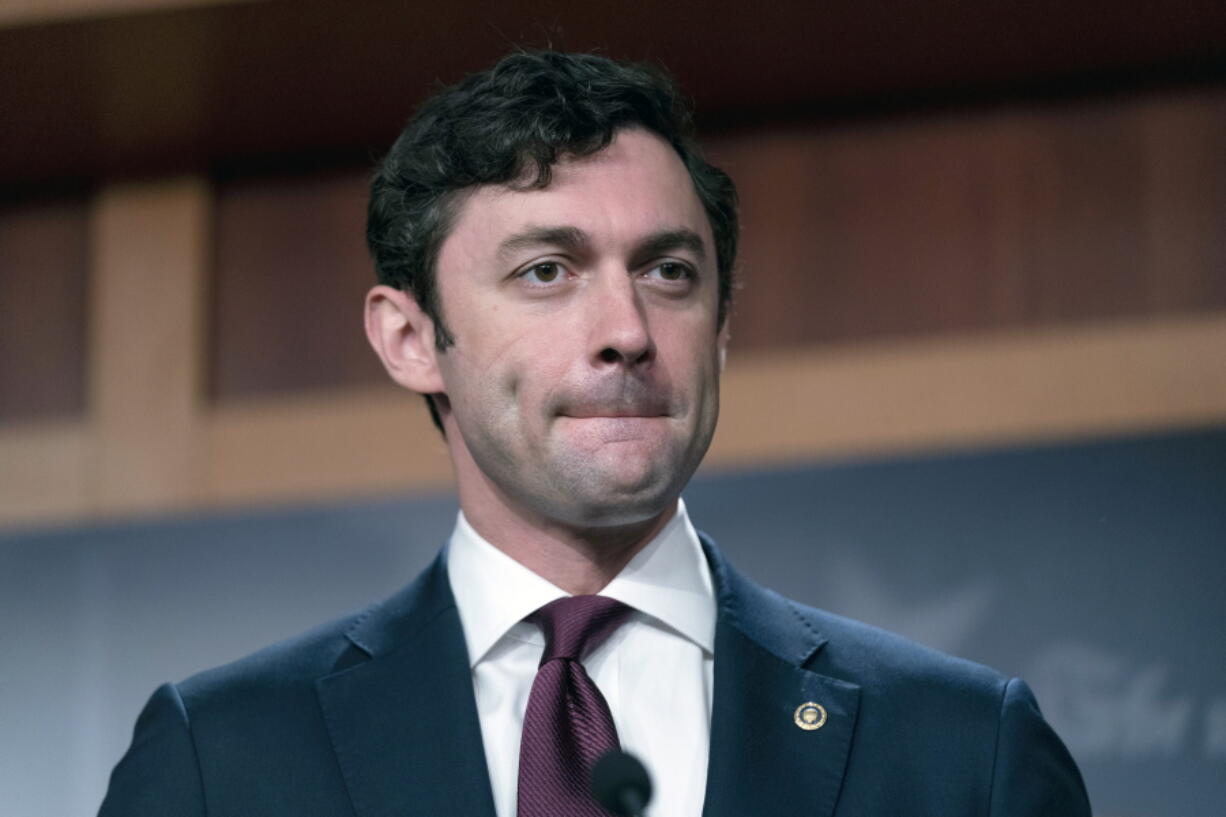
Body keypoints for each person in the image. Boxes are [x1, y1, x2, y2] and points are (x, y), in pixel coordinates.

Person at [99, 51, 1090, 817]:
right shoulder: (218, 758)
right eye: (546, 272)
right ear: (411, 339)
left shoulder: (962, 750)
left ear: (722, 328)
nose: (626, 332)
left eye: (668, 273)